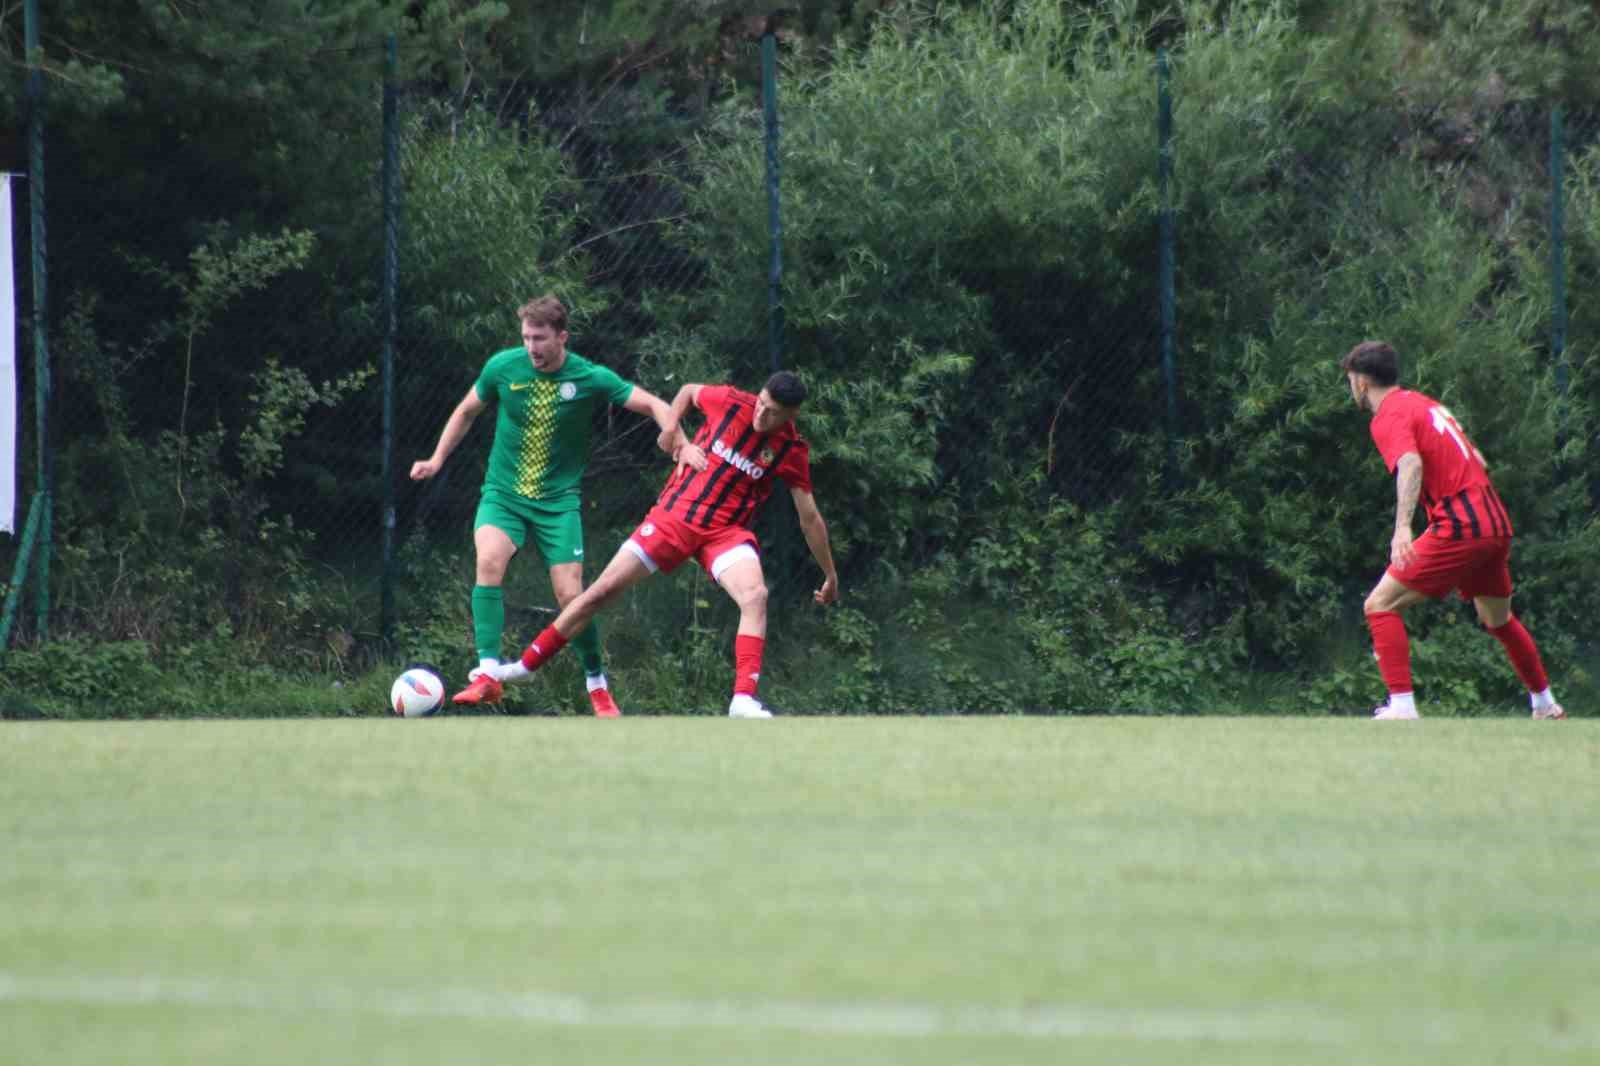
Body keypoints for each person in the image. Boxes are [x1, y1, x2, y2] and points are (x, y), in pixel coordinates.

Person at [461, 370, 840, 717]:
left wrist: (830, 575)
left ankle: (742, 699)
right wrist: (675, 436)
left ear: (790, 415)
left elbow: (809, 518)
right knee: (598, 593)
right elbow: (689, 391)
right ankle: (526, 667)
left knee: (755, 596)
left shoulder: (791, 450)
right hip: (673, 518)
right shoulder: (729, 401)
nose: (760, 415)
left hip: (725, 533)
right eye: (761, 403)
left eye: (772, 412)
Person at [409, 295, 681, 717]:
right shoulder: (503, 367)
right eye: (526, 337)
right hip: (503, 495)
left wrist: (674, 435)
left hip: (558, 503)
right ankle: (486, 675)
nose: (531, 347)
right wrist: (437, 459)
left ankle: (596, 684)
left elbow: (653, 404)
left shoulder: (588, 377)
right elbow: (466, 411)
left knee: (572, 595)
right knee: (489, 562)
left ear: (562, 337)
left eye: (539, 338)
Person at [1341, 340, 1564, 721]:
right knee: (1498, 620)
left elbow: (1410, 465)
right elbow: (1474, 456)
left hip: (1462, 523)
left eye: (1350, 380)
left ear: (1361, 382)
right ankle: (1545, 705)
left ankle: (1402, 706)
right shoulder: (1425, 404)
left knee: (1379, 605)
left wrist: (1402, 529)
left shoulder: (1388, 415)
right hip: (1493, 520)